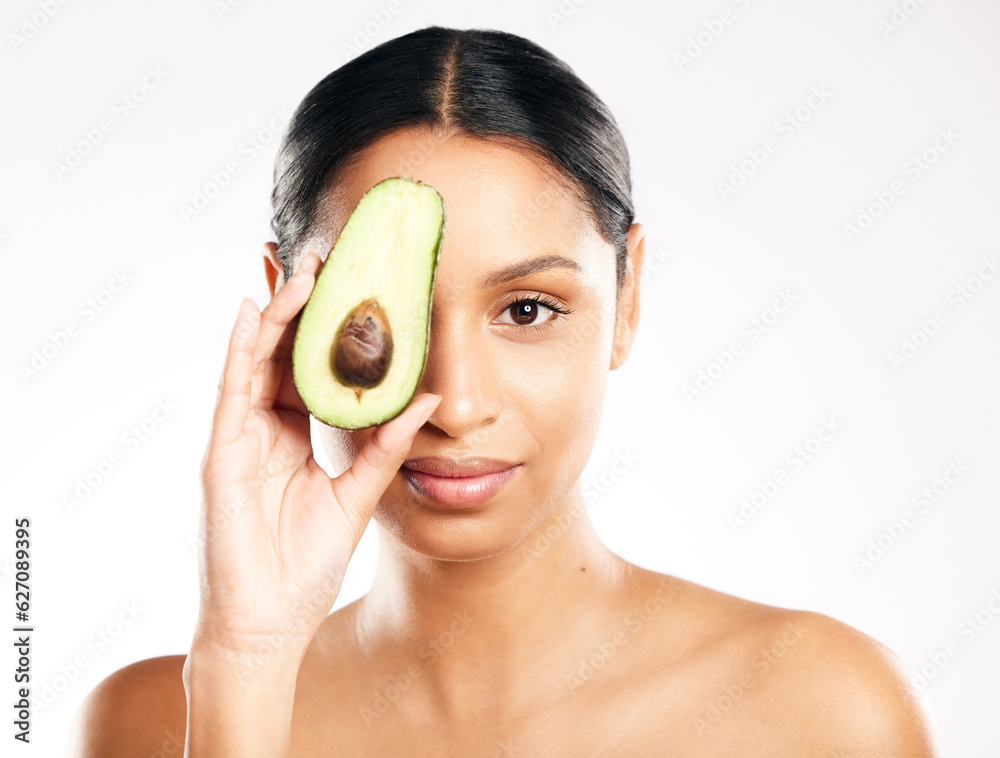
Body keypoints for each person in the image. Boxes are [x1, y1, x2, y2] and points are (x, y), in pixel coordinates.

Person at [69, 25, 941, 756]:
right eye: (380, 319)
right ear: (289, 308)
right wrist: (246, 666)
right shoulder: (149, 725)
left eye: (527, 308)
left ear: (627, 297)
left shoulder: (823, 711)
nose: (453, 405)